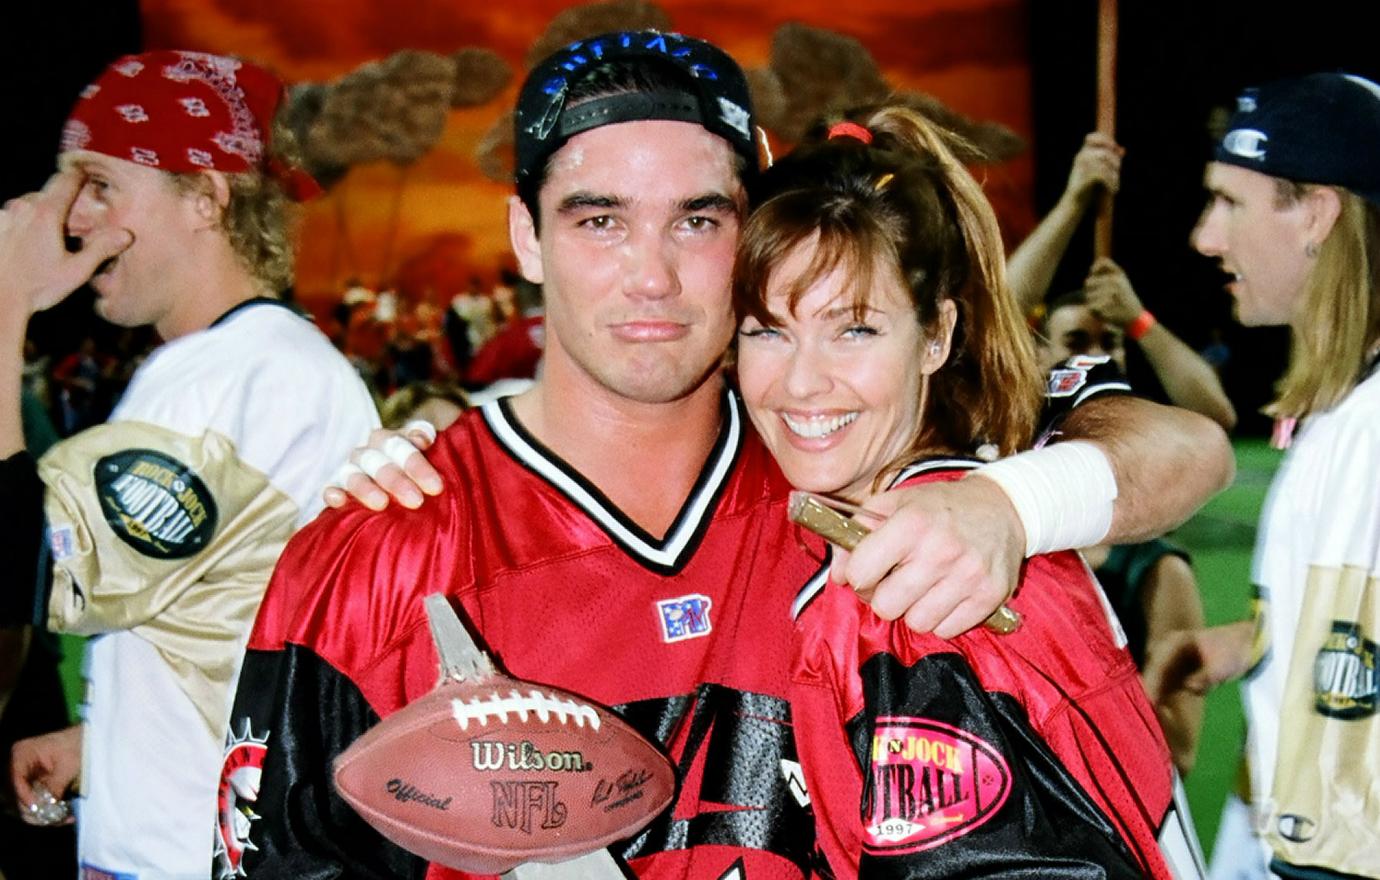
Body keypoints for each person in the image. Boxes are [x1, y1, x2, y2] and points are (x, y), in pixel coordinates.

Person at [233, 30, 1231, 878]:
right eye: (599, 220)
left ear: (749, 233)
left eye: (698, 220)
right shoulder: (375, 550)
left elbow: (1185, 445)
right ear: (526, 237)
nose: (652, 276)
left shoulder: (862, 481)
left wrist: (1011, 503)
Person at [729, 109, 1201, 877]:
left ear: (937, 335)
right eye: (767, 330)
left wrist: (1012, 506)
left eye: (854, 330)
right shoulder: (939, 495)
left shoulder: (921, 590)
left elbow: (1194, 444)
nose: (801, 381)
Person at [0, 50, 378, 879]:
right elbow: (232, 629)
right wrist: (113, 744)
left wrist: (3, 303)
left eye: (98, 183)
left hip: (197, 858)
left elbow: (21, 560)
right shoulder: (249, 365)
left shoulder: (233, 374)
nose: (73, 218)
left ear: (206, 196)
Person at [1146, 72, 1380, 880]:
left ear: (1316, 213)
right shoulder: (1343, 411)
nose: (1206, 238)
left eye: (1231, 204)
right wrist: (1254, 644)